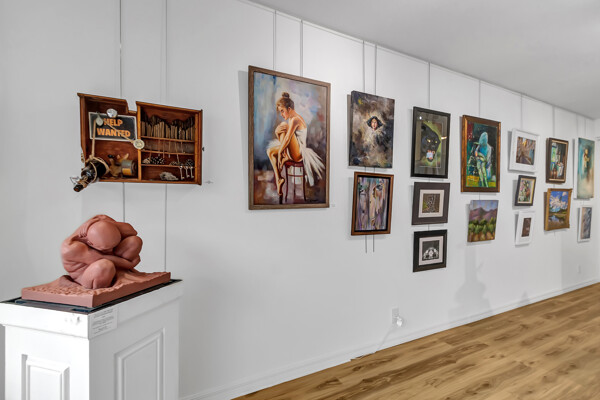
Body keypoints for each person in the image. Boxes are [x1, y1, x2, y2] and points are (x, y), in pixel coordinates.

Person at [61, 215, 143, 289]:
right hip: (87, 275)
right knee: (105, 265)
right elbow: (101, 258)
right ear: (90, 243)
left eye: (113, 246)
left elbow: (133, 232)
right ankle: (102, 290)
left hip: (112, 264)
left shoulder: (103, 220)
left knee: (134, 241)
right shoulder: (72, 247)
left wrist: (106, 222)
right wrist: (130, 264)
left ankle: (122, 273)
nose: (111, 250)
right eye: (105, 249)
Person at [267, 92, 324, 197]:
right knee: (270, 151)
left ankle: (284, 155)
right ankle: (279, 179)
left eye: (282, 111)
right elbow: (286, 140)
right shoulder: (291, 119)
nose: (281, 114)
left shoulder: (295, 119)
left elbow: (288, 138)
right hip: (293, 150)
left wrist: (280, 152)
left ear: (289, 109)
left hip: (299, 153)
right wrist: (277, 133)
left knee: (284, 126)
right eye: (280, 112)